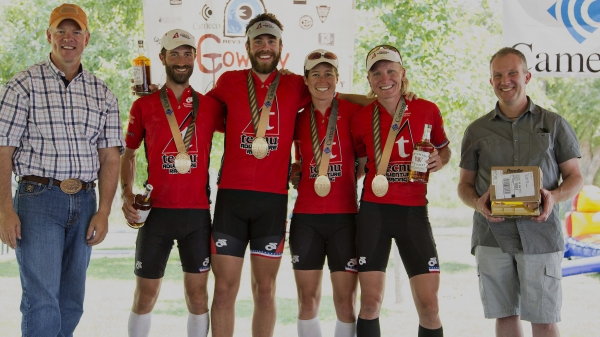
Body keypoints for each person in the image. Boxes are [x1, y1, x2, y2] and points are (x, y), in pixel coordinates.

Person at [0, 4, 123, 336]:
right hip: (37, 200)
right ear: (49, 35)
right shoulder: (21, 85)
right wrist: (5, 209)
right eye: (61, 31)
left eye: (76, 31)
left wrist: (104, 211)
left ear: (87, 38)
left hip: (84, 202)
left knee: (72, 301)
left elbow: (111, 157)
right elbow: (3, 150)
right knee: (41, 301)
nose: (69, 38)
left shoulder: (102, 93)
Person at [457, 47, 583, 337]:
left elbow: (575, 177)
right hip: (492, 237)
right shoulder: (476, 130)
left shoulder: (553, 124)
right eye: (497, 75)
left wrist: (555, 196)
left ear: (526, 76)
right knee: (505, 317)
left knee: (545, 320)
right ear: (491, 81)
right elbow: (463, 186)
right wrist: (478, 203)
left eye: (512, 73)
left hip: (541, 235)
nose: (505, 80)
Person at [206, 13, 312, 337]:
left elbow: (329, 104)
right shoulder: (228, 81)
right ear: (247, 46)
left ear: (280, 46)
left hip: (272, 201)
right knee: (224, 290)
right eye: (258, 41)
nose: (264, 47)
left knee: (265, 291)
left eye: (271, 41)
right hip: (231, 200)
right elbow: (197, 112)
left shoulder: (297, 84)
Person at [121, 29, 224, 337]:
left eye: (187, 53)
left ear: (196, 58)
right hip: (157, 215)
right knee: (145, 296)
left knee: (197, 296)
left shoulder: (211, 106)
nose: (182, 60)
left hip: (196, 215)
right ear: (162, 58)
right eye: (174, 54)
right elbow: (128, 156)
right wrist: (126, 194)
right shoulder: (143, 105)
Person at [351, 44, 450, 337]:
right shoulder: (360, 118)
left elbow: (445, 150)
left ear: (402, 73)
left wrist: (439, 160)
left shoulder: (427, 109)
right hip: (374, 212)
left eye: (391, 70)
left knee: (429, 305)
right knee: (370, 303)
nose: (385, 78)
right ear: (369, 80)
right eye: (377, 73)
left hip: (413, 211)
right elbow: (359, 163)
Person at [289, 49, 363, 337]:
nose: (323, 79)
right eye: (316, 74)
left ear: (337, 78)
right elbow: (296, 160)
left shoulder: (354, 112)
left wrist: (341, 177)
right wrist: (299, 170)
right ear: (306, 80)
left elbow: (365, 160)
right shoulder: (295, 119)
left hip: (345, 217)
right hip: (306, 219)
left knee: (346, 303)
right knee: (307, 302)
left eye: (329, 73)